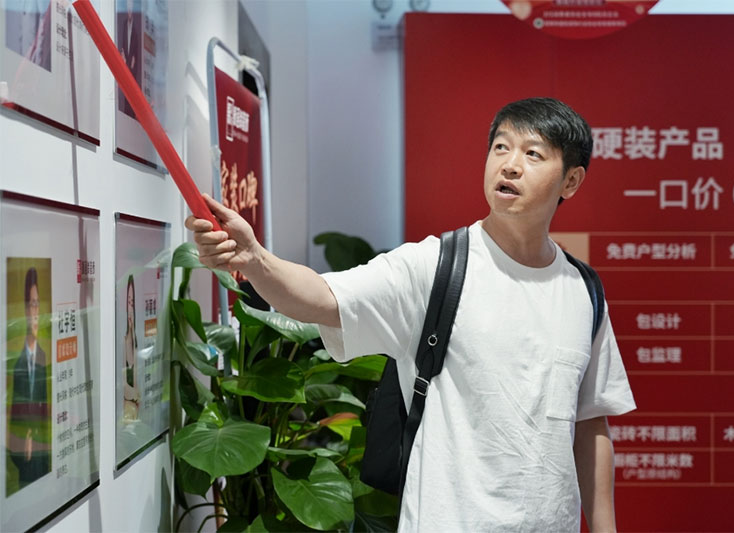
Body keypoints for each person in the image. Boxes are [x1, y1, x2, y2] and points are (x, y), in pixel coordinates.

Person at [185, 97, 636, 531]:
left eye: (532, 153)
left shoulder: (582, 291)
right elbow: (320, 296)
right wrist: (255, 259)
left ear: (571, 181)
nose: (510, 164)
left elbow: (590, 421)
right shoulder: (436, 265)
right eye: (501, 147)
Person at [9, 266, 50, 491]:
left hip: (44, 464)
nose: (36, 312)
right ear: (25, 310)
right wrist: (23, 440)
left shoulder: (44, 358)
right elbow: (12, 426)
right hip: (25, 466)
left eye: (38, 304)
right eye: (32, 304)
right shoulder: (17, 366)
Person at [122, 274, 140, 421]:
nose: (130, 307)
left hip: (134, 404)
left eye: (132, 303)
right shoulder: (125, 340)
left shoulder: (135, 339)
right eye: (128, 302)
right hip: (128, 404)